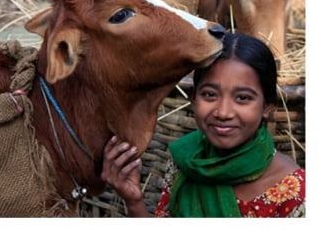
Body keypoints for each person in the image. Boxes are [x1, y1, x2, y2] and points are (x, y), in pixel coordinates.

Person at [101, 32, 305, 217]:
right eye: (209, 95)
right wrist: (134, 202)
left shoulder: (293, 192)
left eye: (243, 98)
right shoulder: (187, 160)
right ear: (193, 98)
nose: (223, 112)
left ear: (267, 107)